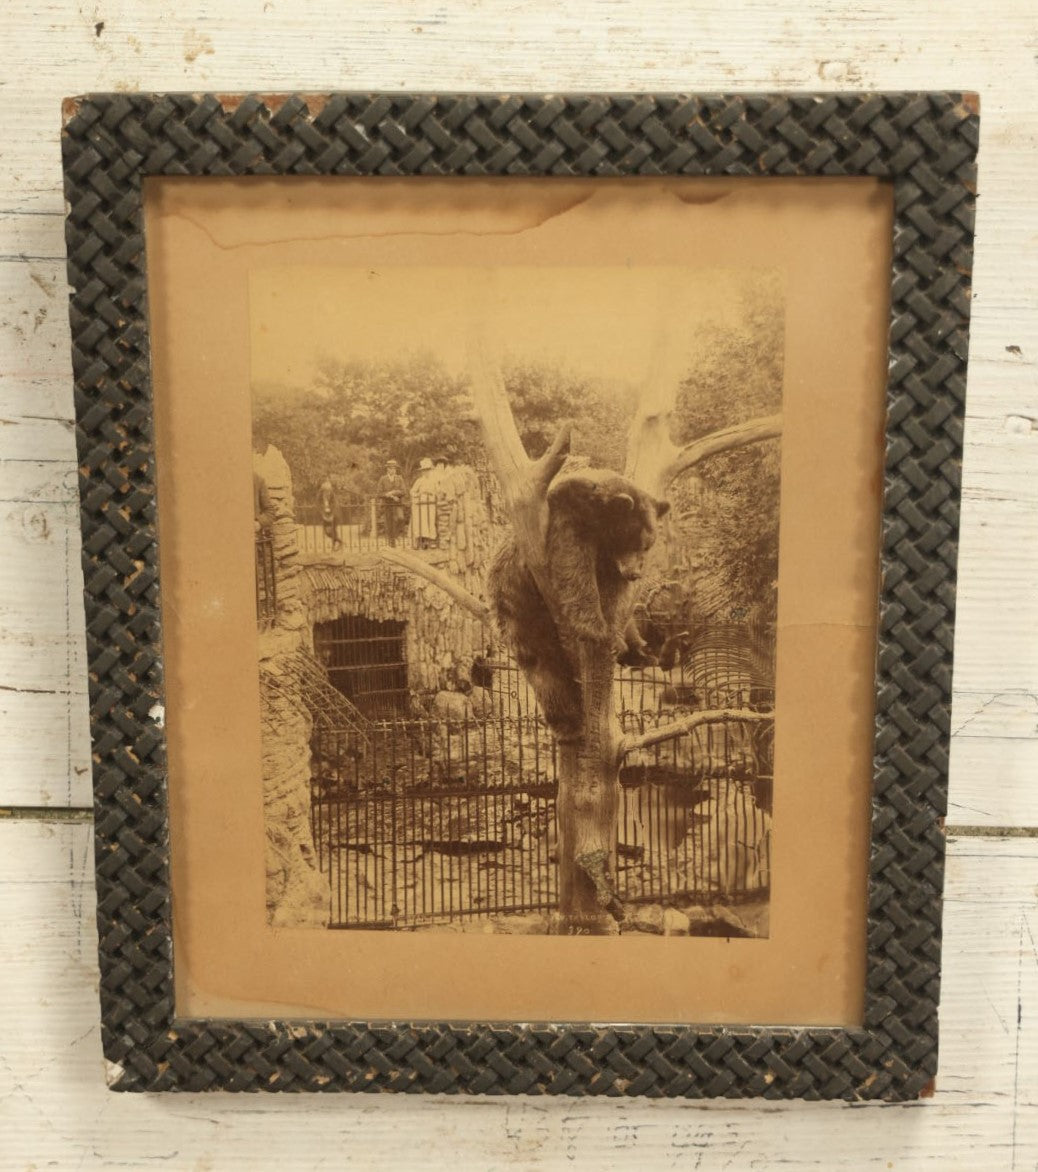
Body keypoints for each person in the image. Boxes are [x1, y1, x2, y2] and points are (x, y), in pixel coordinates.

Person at [375, 458, 407, 546]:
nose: (392, 470)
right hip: (387, 504)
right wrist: (387, 494)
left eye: (394, 468)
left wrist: (393, 493)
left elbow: (404, 491)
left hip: (397, 503)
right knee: (389, 523)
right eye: (390, 468)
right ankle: (391, 542)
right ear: (387, 469)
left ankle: (395, 536)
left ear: (395, 469)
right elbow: (379, 493)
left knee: (400, 518)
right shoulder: (383, 479)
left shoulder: (399, 478)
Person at [409, 457, 438, 549]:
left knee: (431, 520)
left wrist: (432, 493)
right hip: (422, 503)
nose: (426, 472)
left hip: (431, 502)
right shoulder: (419, 481)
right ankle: (422, 541)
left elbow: (438, 491)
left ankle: (431, 540)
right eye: (424, 471)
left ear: (431, 470)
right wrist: (419, 494)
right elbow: (412, 491)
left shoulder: (434, 480)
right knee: (422, 522)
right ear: (422, 472)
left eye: (428, 470)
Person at [317, 477, 341, 550]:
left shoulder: (332, 497)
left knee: (333, 530)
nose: (328, 492)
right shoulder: (320, 496)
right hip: (325, 515)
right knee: (327, 532)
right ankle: (340, 542)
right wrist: (323, 513)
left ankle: (334, 546)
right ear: (323, 490)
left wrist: (332, 514)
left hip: (334, 515)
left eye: (329, 491)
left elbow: (335, 505)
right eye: (326, 491)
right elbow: (318, 505)